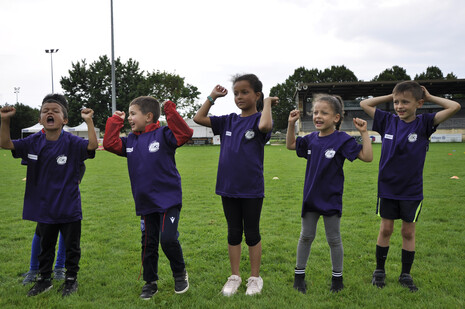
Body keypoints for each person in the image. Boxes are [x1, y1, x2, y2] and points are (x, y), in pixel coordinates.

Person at [360, 81, 461, 292]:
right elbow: (365, 103)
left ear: (419, 103)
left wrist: (431, 97)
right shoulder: (387, 120)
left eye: (405, 102)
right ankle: (379, 271)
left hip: (411, 190)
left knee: (408, 232)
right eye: (397, 102)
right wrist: (391, 96)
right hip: (387, 187)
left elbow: (454, 107)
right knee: (386, 229)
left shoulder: (424, 123)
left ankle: (405, 274)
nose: (399, 106)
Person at [0, 94, 98, 297]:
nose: (50, 113)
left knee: (72, 247)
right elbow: (6, 144)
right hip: (44, 206)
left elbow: (92, 146)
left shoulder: (71, 141)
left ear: (65, 120)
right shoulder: (33, 141)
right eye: (45, 111)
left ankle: (71, 280)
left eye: (55, 110)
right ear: (40, 119)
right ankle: (44, 280)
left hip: (69, 205)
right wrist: (5, 120)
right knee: (46, 247)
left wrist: (89, 122)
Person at [193, 74, 278, 296]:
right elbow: (198, 118)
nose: (239, 97)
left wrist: (267, 103)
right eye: (236, 93)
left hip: (251, 189)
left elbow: (267, 125)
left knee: (251, 233)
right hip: (228, 187)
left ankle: (254, 278)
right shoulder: (228, 120)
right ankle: (234, 277)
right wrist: (212, 97)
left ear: (256, 95)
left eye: (245, 92)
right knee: (233, 232)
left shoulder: (259, 120)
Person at [103, 97, 193, 300]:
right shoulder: (131, 141)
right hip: (146, 204)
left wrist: (170, 111)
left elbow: (184, 134)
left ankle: (180, 273)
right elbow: (109, 144)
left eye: (133, 114)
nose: (130, 118)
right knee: (148, 244)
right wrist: (115, 122)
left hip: (168, 201)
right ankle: (150, 283)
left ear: (149, 116)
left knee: (168, 239)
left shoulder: (164, 135)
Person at [286, 94, 373, 294]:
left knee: (334, 239)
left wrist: (364, 132)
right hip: (311, 197)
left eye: (323, 113)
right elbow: (290, 145)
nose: (318, 116)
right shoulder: (310, 139)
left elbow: (367, 157)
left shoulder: (342, 139)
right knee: (306, 236)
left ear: (336, 118)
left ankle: (337, 279)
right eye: (315, 112)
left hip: (331, 199)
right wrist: (291, 124)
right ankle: (299, 277)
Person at [22, 163, 86, 285]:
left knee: (66, 229)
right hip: (46, 194)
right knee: (40, 231)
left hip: (66, 194)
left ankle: (59, 268)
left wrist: (76, 180)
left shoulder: (70, 144)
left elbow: (81, 164)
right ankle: (34, 270)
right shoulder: (41, 144)